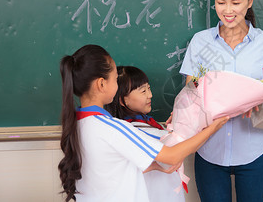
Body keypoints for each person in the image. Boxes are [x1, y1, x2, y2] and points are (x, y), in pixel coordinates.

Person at [58, 44, 228, 202]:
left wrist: (155, 166)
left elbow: (112, 167)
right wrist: (213, 128)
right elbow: (172, 156)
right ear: (102, 84)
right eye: (115, 79)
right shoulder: (113, 128)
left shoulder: (78, 125)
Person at [179, 0, 263, 201]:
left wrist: (256, 99)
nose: (227, 10)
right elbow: (190, 91)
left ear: (250, 2)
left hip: (254, 150)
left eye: (236, 2)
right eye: (220, 2)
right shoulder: (201, 41)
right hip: (209, 150)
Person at [105, 66, 184, 202]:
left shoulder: (146, 123)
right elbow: (175, 145)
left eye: (149, 88)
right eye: (143, 91)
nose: (150, 95)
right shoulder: (135, 130)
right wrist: (186, 121)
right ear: (123, 100)